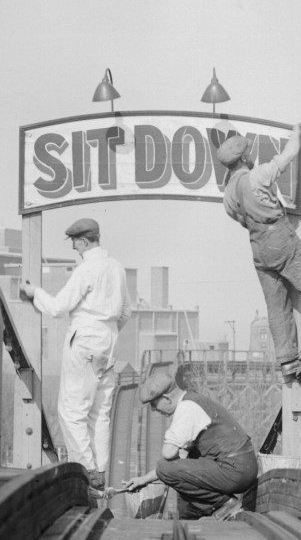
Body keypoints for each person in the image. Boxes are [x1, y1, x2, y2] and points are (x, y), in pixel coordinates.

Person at [21, 217, 132, 491]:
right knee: (99, 413)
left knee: (71, 412)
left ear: (83, 241)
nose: (74, 248)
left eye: (74, 242)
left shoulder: (86, 269)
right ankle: (100, 472)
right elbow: (126, 312)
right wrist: (107, 333)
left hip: (83, 341)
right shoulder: (117, 268)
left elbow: (59, 307)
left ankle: (86, 470)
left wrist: (35, 293)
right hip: (108, 344)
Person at [216, 124, 301, 378]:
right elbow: (289, 155)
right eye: (249, 152)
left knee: (277, 307)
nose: (252, 155)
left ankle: (287, 362)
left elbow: (244, 219)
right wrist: (296, 133)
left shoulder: (228, 195)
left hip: (257, 247)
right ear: (243, 158)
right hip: (280, 238)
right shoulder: (259, 175)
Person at [123, 369, 258, 520]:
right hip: (241, 467)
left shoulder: (186, 408)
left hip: (235, 469)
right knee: (180, 464)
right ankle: (193, 515)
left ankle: (225, 505)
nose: (154, 409)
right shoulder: (192, 400)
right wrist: (143, 479)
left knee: (166, 467)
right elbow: (179, 461)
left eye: (154, 403)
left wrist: (175, 456)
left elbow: (168, 454)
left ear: (167, 398)